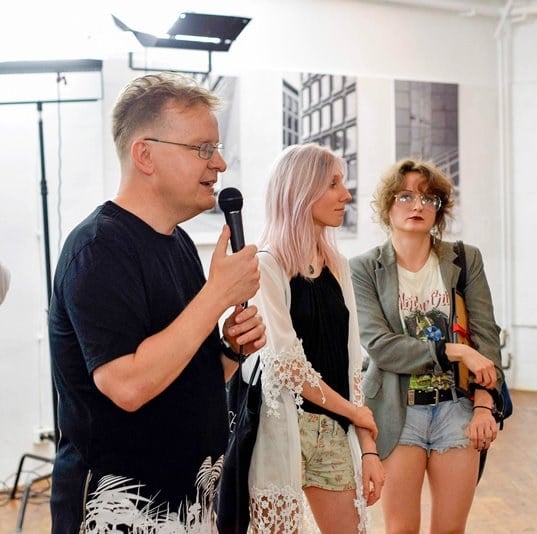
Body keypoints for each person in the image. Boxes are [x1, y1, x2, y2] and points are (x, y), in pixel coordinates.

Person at [48, 72, 267, 533]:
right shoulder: (98, 249)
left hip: (189, 505)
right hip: (121, 514)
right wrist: (216, 295)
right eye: (202, 148)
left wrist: (229, 350)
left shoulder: (178, 243)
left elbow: (186, 378)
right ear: (145, 154)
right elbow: (128, 386)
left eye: (216, 147)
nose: (219, 163)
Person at [349, 159, 503, 533]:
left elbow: (486, 338)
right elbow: (381, 347)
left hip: (457, 409)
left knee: (450, 529)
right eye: (405, 196)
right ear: (387, 205)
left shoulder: (465, 259)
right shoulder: (364, 268)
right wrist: (454, 351)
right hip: (396, 410)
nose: (417, 205)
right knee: (401, 529)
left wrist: (484, 406)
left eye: (428, 198)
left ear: (439, 210)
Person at [245, 143, 384, 533]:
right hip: (279, 432)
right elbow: (287, 365)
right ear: (301, 191)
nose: (346, 195)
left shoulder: (339, 265)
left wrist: (367, 447)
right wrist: (353, 412)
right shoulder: (266, 265)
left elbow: (352, 364)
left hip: (333, 429)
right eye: (333, 184)